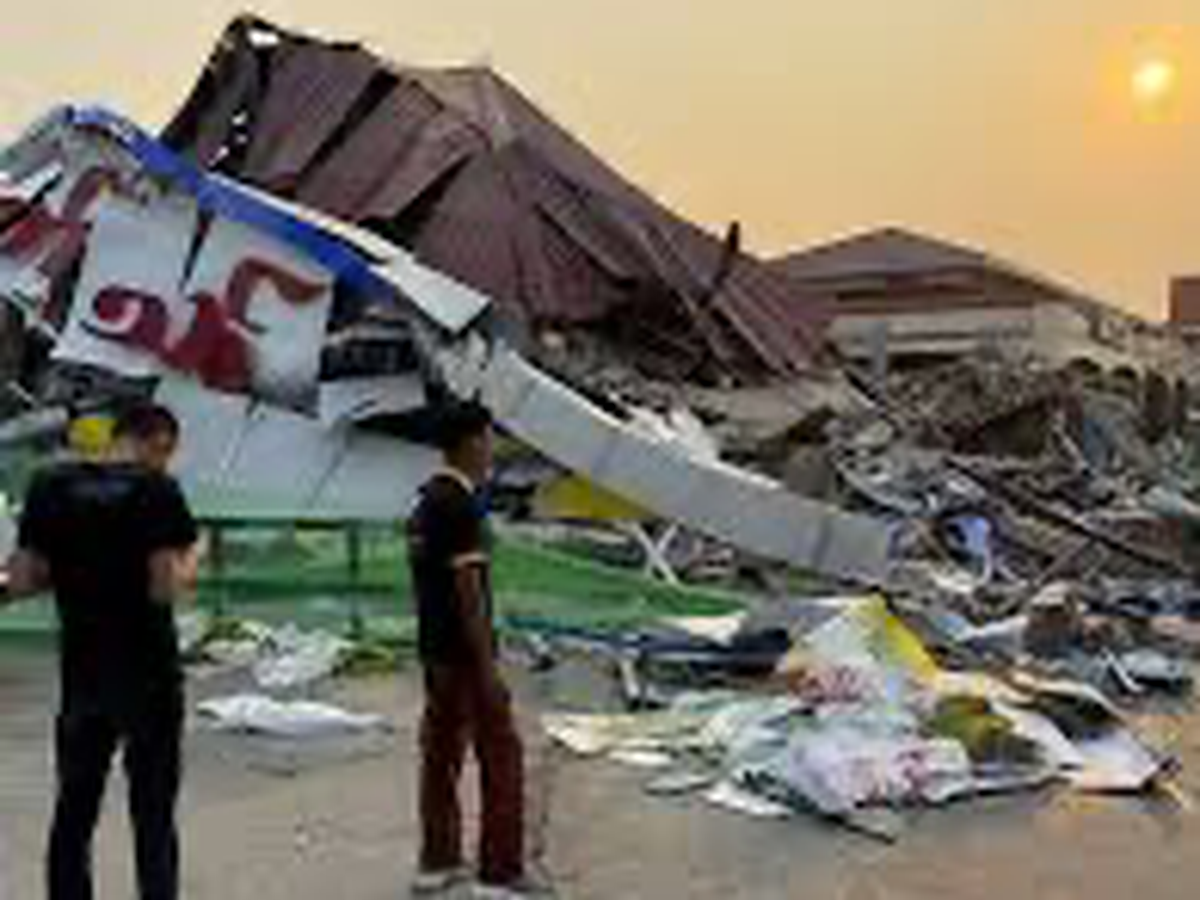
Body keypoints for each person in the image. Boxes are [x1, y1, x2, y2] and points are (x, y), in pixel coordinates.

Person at [2, 403, 199, 900]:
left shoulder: (50, 485)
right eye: (167, 453)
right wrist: (193, 559)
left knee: (74, 806)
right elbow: (163, 588)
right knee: (153, 812)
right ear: (158, 441)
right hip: (148, 672)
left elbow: (22, 580)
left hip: (84, 671)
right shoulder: (157, 490)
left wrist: (77, 570)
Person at [406, 402, 535, 899]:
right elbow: (469, 593)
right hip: (464, 654)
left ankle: (437, 860)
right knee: (501, 756)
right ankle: (499, 871)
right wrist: (488, 667)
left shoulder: (424, 502)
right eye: (488, 437)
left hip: (435, 651)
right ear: (471, 442)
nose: (492, 448)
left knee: (440, 755)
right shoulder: (460, 506)